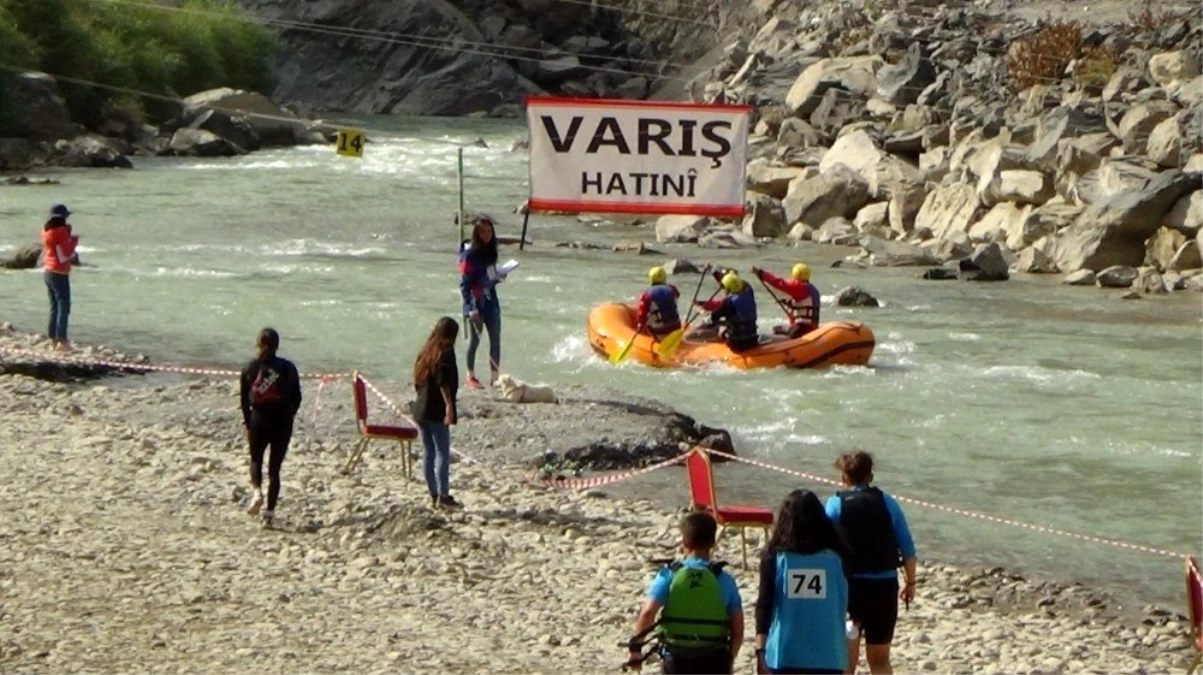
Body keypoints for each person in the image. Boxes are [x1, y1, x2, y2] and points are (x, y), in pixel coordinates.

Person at [824, 451, 917, 675]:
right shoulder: (889, 504)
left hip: (851, 588)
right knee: (880, 659)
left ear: (844, 478)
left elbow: (826, 548)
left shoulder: (835, 504)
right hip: (883, 588)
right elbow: (908, 550)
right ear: (871, 476)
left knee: (846, 661)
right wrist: (911, 582)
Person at [629, 511, 744, 675]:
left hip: (676, 659)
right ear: (712, 543)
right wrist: (729, 659)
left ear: (684, 542)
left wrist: (636, 650)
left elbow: (648, 612)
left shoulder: (669, 575)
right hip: (713, 660)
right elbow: (738, 629)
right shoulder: (724, 580)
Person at [756, 489, 851, 675]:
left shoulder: (775, 558)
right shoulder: (838, 557)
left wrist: (760, 649)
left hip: (784, 653)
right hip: (829, 654)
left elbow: (764, 605)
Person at [239, 328, 303, 529]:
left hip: (259, 419)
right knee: (275, 470)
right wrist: (289, 415)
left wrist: (249, 422)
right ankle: (269, 514)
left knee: (256, 459)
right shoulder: (287, 367)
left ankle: (257, 491)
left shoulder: (249, 367)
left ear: (258, 344)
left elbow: (243, 401)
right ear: (278, 345)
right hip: (282, 421)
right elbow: (297, 397)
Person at [413, 316, 462, 510]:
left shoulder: (425, 352)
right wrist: (449, 406)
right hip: (436, 409)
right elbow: (444, 382)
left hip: (421, 409)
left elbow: (418, 381)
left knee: (429, 452)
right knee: (442, 451)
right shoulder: (445, 353)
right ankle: (444, 495)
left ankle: (433, 493)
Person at [459, 215, 504, 389]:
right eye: (483, 232)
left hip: (492, 302)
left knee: (495, 340)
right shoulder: (469, 256)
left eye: (489, 231)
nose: (487, 235)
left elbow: (490, 277)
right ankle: (470, 375)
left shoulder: (492, 252)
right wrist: (470, 308)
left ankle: (495, 378)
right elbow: (465, 284)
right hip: (476, 303)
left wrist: (498, 277)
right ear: (476, 234)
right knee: (475, 341)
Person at [41, 204, 79, 351]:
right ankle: (62, 342)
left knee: (54, 307)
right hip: (59, 273)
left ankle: (53, 340)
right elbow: (67, 252)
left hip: (48, 271)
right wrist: (74, 240)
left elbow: (57, 249)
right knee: (64, 307)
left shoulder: (46, 231)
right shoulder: (61, 231)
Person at [695, 270, 759, 353]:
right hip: (753, 341)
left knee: (717, 328)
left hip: (737, 345)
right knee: (727, 323)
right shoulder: (749, 293)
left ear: (728, 289)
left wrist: (701, 310)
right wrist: (714, 272)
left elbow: (711, 320)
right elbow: (744, 284)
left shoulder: (728, 303)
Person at [752, 263, 821, 338]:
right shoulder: (811, 289)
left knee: (775, 330)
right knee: (780, 328)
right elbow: (804, 303)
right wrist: (786, 302)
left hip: (803, 328)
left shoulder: (799, 287)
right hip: (811, 326)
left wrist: (761, 273)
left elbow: (779, 283)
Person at [635, 266, 682, 339]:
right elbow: (678, 295)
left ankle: (647, 339)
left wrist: (639, 326)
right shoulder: (673, 289)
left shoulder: (646, 294)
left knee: (646, 321)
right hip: (676, 327)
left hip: (659, 331)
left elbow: (641, 316)